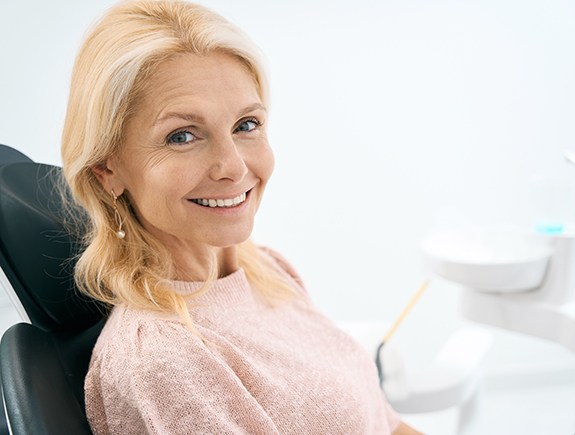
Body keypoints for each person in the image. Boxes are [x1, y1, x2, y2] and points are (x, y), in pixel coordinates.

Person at [61, 0, 421, 433]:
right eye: (182, 136)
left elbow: (385, 423)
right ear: (107, 169)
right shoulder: (164, 359)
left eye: (246, 125)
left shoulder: (266, 270)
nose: (232, 166)